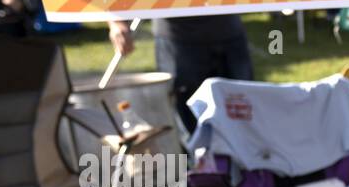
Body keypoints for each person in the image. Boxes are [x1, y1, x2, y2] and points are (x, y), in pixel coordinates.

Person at [109, 14, 254, 137]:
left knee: (243, 116)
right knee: (189, 122)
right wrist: (116, 21)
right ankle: (197, 164)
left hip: (229, 33)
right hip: (177, 38)